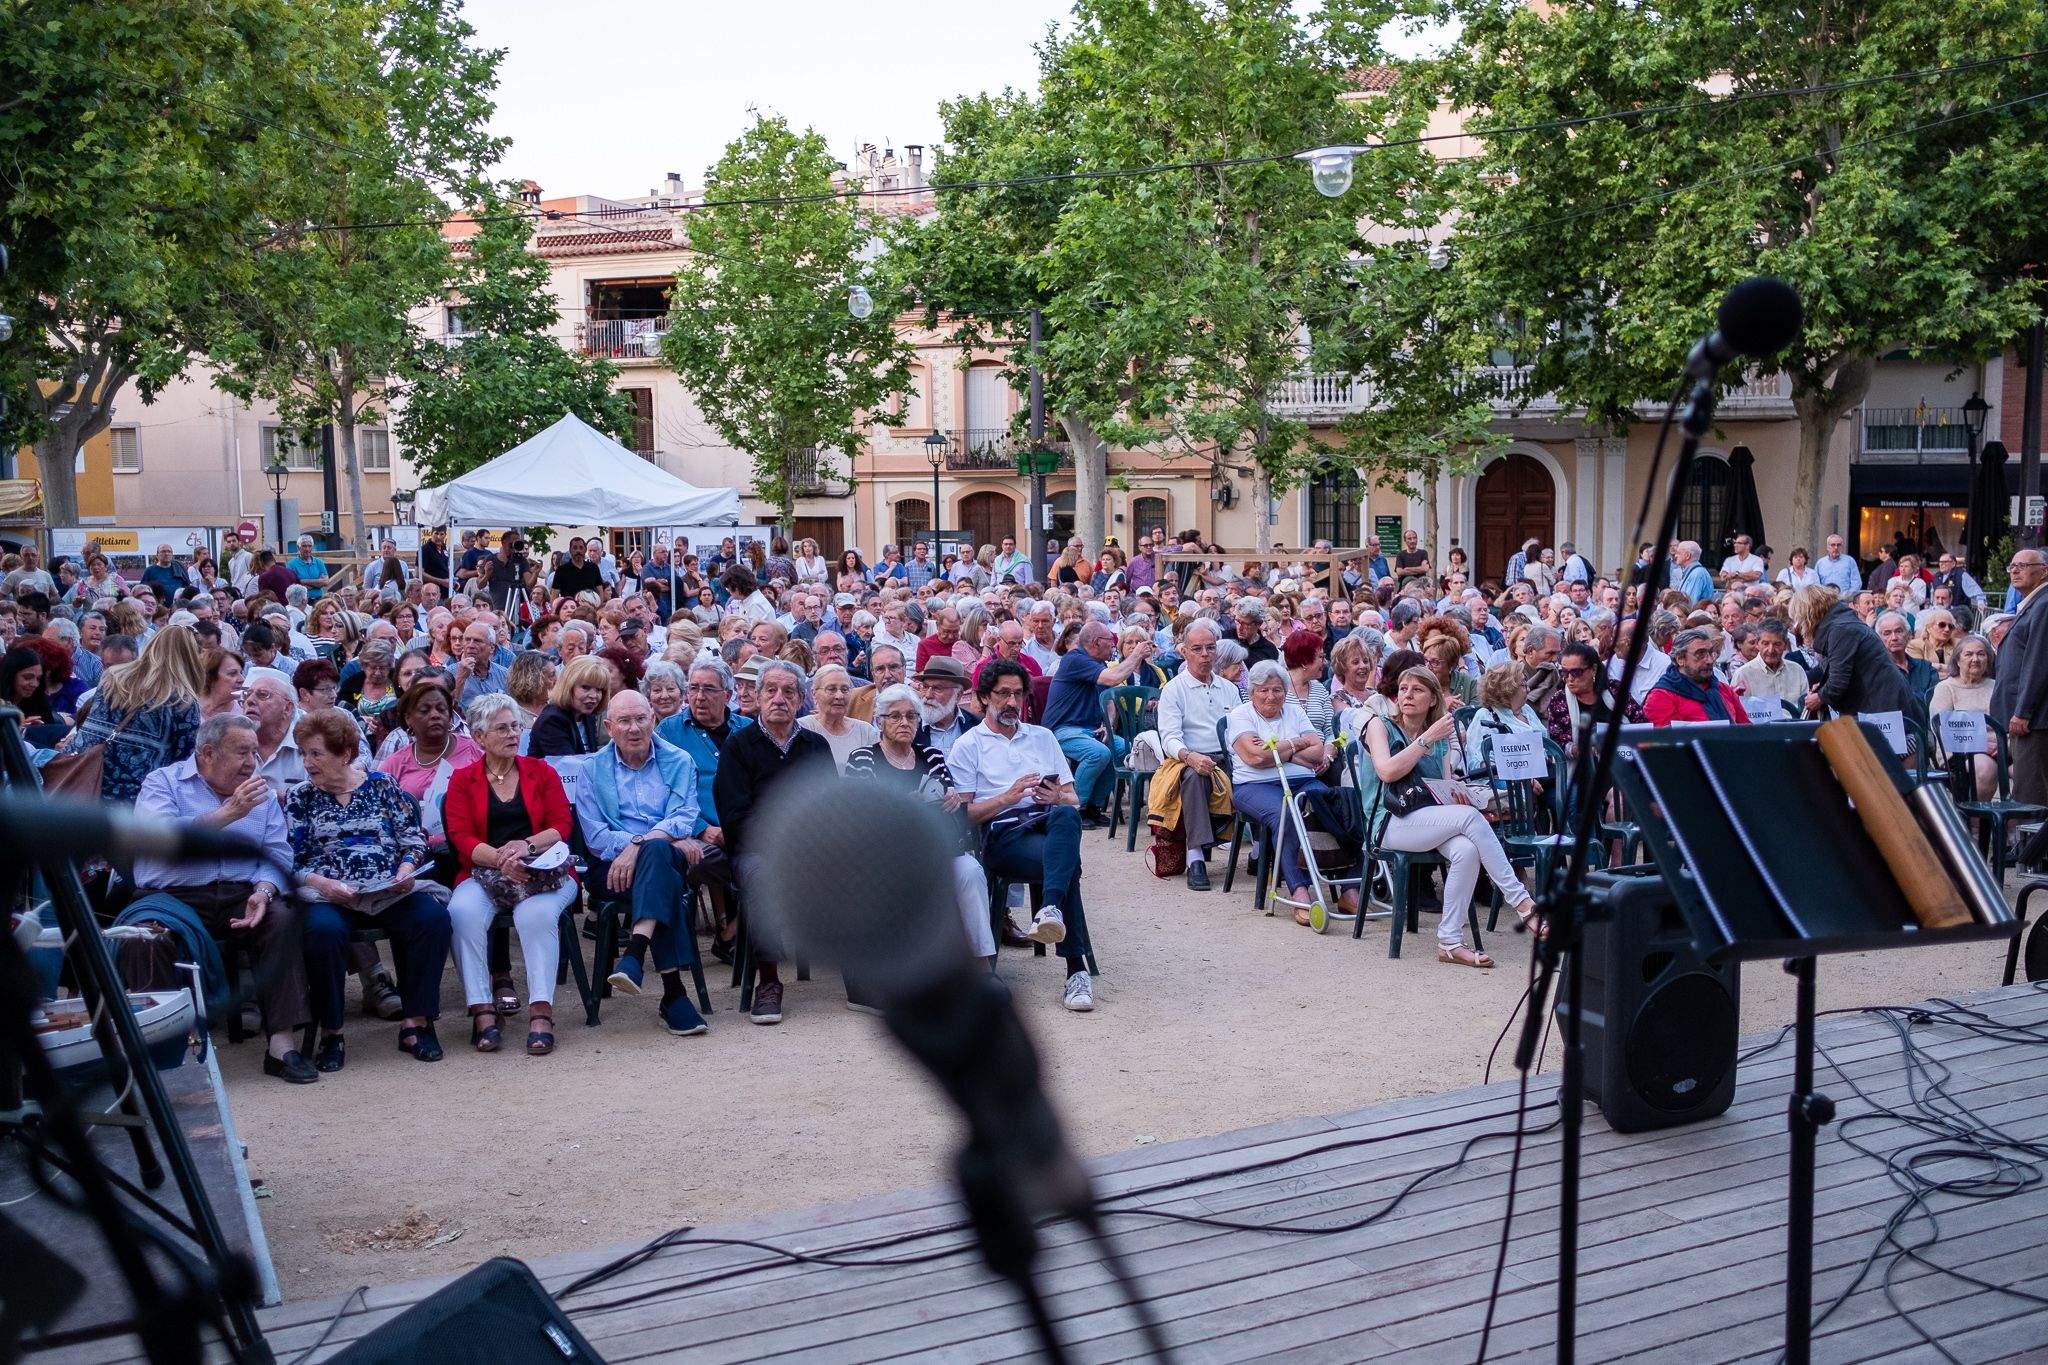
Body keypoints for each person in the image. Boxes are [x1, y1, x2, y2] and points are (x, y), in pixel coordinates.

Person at [132, 714, 316, 1081]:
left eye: (254, 752)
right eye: (242, 752)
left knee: (281, 918)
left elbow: (278, 853)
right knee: (145, 937)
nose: (251, 762)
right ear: (208, 752)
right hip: (171, 895)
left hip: (240, 893)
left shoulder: (257, 791)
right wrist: (229, 813)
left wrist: (263, 892)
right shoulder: (164, 783)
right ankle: (158, 1056)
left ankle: (282, 1046)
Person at [286, 709, 452, 1069]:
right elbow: (295, 860)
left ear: (344, 754)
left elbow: (413, 840)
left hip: (388, 889)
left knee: (431, 918)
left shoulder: (381, 785)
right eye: (303, 753)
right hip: (331, 893)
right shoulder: (301, 797)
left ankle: (416, 1023)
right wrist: (323, 884)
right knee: (321, 930)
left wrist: (407, 870)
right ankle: (332, 1032)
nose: (308, 762)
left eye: (316, 753)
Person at [1360, 667, 1539, 961]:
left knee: (1467, 850)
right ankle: (1522, 902)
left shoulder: (1439, 739)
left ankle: (1449, 942)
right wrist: (1425, 740)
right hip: (1387, 823)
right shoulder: (1380, 726)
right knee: (1469, 818)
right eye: (1403, 689)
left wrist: (1455, 793)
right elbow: (1388, 771)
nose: (1407, 695)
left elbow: (1439, 789)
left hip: (1425, 820)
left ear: (1432, 699)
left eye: (1417, 690)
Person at [949, 660, 1099, 1011]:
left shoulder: (1042, 737)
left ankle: (1048, 908)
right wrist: (1008, 797)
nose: (1012, 702)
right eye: (1003, 694)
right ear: (985, 697)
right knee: (1066, 865)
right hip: (1004, 835)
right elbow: (964, 816)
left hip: (1049, 823)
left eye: (1018, 694)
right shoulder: (969, 745)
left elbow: (1073, 799)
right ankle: (1076, 970)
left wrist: (1056, 796)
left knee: (1064, 814)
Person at [446, 693, 577, 1056]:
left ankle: (541, 1010)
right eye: (501, 728)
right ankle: (482, 1008)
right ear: (479, 737)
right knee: (462, 912)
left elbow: (561, 825)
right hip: (485, 871)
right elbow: (460, 837)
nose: (512, 734)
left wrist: (526, 847)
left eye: (516, 726)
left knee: (533, 915)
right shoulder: (463, 780)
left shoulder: (541, 772)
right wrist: (500, 859)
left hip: (543, 872)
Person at [579, 691, 712, 1037]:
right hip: (611, 867)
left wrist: (640, 845)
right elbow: (595, 837)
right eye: (624, 721)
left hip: (659, 856)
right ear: (609, 727)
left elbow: (685, 817)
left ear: (653, 719)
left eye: (641, 718)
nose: (634, 728)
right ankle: (673, 994)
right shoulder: (591, 769)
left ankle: (636, 952)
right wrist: (646, 842)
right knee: (660, 870)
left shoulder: (678, 760)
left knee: (655, 857)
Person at [843, 685, 998, 980]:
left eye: (912, 717)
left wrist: (953, 803)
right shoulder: (863, 758)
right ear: (879, 722)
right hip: (883, 857)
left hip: (934, 850)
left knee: (969, 870)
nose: (905, 723)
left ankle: (981, 966)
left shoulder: (932, 756)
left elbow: (954, 818)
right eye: (896, 717)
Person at [713, 660, 837, 1025]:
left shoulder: (816, 746)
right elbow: (735, 818)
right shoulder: (739, 746)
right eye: (771, 690)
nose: (779, 699)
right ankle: (768, 981)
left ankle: (861, 973)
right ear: (756, 696)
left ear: (801, 699)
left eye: (788, 692)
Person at [1226, 660, 1341, 925]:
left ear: (1285, 691)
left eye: (1277, 690)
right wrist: (1297, 744)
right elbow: (1255, 758)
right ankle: (1299, 890)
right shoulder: (1240, 715)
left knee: (1335, 805)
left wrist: (1278, 751)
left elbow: (1318, 751)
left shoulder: (1294, 712)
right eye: (1263, 690)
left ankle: (1349, 890)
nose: (1270, 696)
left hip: (1301, 780)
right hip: (1254, 786)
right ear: (1252, 692)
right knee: (1286, 812)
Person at [655, 658, 748, 962]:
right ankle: (735, 930)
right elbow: (662, 794)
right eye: (693, 688)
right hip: (697, 832)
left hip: (744, 830)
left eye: (709, 689)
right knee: (704, 857)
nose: (698, 696)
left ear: (728, 695)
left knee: (784, 861)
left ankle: (731, 932)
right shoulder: (669, 732)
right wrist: (701, 829)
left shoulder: (747, 730)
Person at [64, 624, 205, 804]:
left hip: (81, 778)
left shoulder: (113, 677)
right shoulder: (182, 701)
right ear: (192, 657)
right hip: (133, 797)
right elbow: (183, 762)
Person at [1149, 620, 1237, 890]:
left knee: (1259, 773)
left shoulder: (1229, 689)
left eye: (1210, 648)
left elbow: (1238, 732)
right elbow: (1170, 738)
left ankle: (1259, 850)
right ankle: (1196, 857)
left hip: (1228, 758)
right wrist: (1191, 757)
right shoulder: (1175, 689)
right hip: (1189, 758)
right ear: (1184, 652)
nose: (1204, 655)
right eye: (1197, 648)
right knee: (1194, 778)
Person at [1042, 620, 1152, 825]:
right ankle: (1076, 807)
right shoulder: (1075, 659)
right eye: (1110, 641)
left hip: (1090, 730)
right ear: (1095, 642)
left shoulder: (1097, 664)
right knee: (1098, 753)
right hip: (1062, 729)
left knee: (1123, 749)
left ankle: (1095, 806)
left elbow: (1109, 699)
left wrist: (1108, 725)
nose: (1113, 645)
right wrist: (1136, 654)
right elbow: (1114, 677)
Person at [1793, 586, 1917, 723]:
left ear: (1809, 614)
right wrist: (1823, 686)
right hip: (1883, 703)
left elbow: (1838, 682)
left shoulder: (1841, 629)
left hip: (1884, 709)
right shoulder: (1843, 623)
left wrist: (1820, 697)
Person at [1993, 549, 2048, 804]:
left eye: (2023, 565)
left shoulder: (2044, 604)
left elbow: (2038, 662)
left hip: (2034, 719)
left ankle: (2030, 845)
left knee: (2030, 793)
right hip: (2029, 717)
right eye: (2012, 566)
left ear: (2043, 571)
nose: (2015, 570)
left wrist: (2023, 711)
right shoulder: (2032, 603)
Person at [1931, 633, 1999, 799]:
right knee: (1985, 767)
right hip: (1960, 752)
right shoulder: (1946, 688)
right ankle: (1976, 822)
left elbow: (2008, 723)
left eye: (1981, 654)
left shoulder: (1997, 686)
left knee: (2030, 770)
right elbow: (1943, 731)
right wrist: (1979, 745)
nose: (1975, 659)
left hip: (2000, 749)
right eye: (1968, 654)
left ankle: (2019, 823)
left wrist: (2005, 747)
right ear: (1957, 660)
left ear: (1988, 660)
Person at [1643, 628, 1752, 726]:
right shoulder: (1662, 696)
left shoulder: (1724, 689)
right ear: (1680, 659)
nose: (1709, 660)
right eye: (1700, 654)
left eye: (1711, 653)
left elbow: (1746, 731)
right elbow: (1667, 742)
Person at [528, 654, 610, 758]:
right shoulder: (552, 720)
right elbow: (568, 768)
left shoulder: (586, 716)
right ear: (568, 686)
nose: (594, 696)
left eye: (599, 689)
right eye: (585, 687)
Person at [799, 662, 880, 768]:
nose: (839, 696)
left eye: (845, 689)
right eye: (831, 689)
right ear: (814, 694)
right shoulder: (801, 729)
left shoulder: (866, 732)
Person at [1465, 661, 1544, 768]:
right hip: (1504, 781)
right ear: (1509, 688)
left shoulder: (1526, 710)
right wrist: (1516, 773)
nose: (1528, 689)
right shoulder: (1485, 715)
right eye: (1523, 684)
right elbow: (1477, 761)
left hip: (1541, 773)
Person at [1732, 619, 1808, 709]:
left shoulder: (1797, 670)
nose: (1771, 650)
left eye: (1777, 644)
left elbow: (1806, 706)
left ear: (1785, 645)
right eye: (1765, 644)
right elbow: (1736, 711)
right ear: (1757, 644)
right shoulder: (1743, 674)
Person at [1876, 610, 1938, 714]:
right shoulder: (1876, 672)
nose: (1894, 638)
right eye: (1887, 633)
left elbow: (1934, 702)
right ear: (1878, 639)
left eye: (1899, 631)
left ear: (1909, 635)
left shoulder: (1926, 668)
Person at [2, 644, 52, 723]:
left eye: (38, 679)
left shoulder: (39, 701)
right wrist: (19, 728)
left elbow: (50, 728)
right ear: (11, 675)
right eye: (28, 677)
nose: (35, 684)